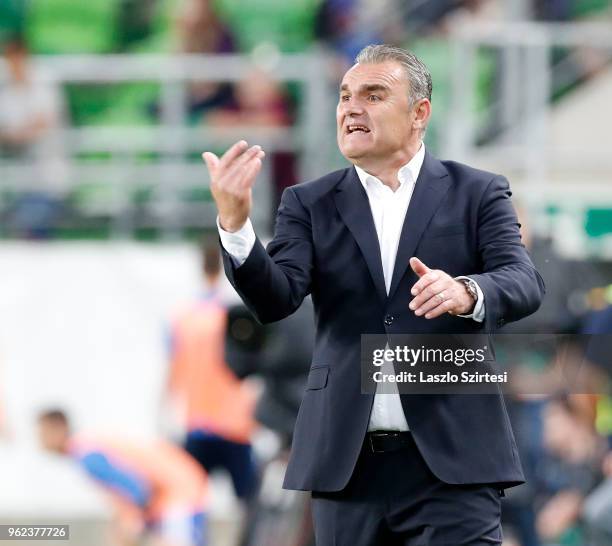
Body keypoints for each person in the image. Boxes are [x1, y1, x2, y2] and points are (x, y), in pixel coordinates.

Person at [203, 44, 545, 545]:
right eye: (344, 96)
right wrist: (235, 226)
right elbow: (276, 298)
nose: (351, 108)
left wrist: (467, 290)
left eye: (373, 94)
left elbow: (524, 281)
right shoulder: (308, 201)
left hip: (454, 462)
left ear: (419, 113)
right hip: (348, 465)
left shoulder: (477, 191)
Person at [166, 239, 259, 503]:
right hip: (235, 423)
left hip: (198, 422)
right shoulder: (237, 315)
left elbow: (172, 371)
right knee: (250, 501)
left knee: (190, 497)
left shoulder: (182, 317)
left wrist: (166, 411)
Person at [37, 409, 208, 546]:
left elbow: (139, 490)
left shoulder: (88, 457)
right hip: (175, 492)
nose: (40, 441)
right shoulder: (88, 447)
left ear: (58, 429)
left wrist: (131, 523)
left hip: (179, 495)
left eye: (42, 433)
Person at [0, 37, 67, 238]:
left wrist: (15, 135)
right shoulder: (5, 81)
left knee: (37, 224)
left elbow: (44, 121)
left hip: (43, 162)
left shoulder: (43, 79)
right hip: (12, 159)